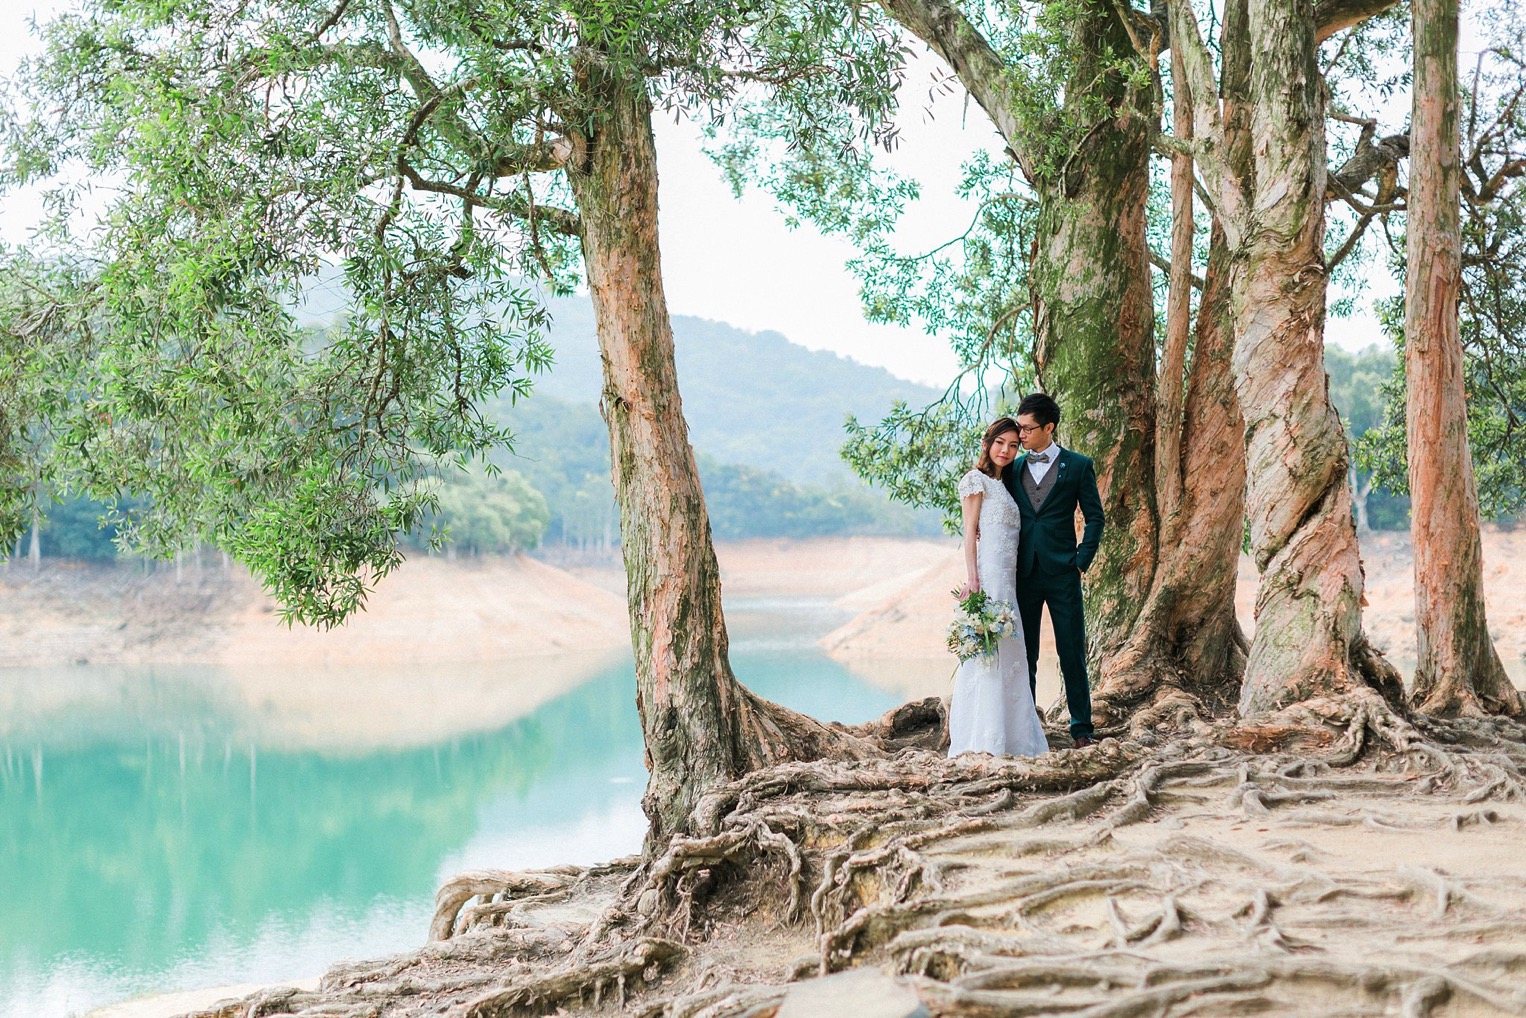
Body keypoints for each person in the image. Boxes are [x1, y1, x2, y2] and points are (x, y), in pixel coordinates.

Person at [1002, 393, 1105, 748]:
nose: (1023, 435)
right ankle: (1028, 728)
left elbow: (1095, 517)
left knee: (1071, 650)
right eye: (1020, 428)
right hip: (1023, 573)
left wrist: (1081, 559)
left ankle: (1081, 729)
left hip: (1063, 572)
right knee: (1024, 653)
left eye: (1029, 428)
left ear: (1049, 427)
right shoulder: (1012, 468)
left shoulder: (1077, 465)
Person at [948, 417, 1049, 758]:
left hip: (1009, 583)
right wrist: (974, 579)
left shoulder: (1005, 486)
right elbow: (969, 531)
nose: (1006, 451)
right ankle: (983, 739)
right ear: (987, 444)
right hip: (989, 580)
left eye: (1013, 445)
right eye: (1000, 443)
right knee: (987, 657)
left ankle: (1014, 739)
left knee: (1010, 656)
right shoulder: (975, 481)